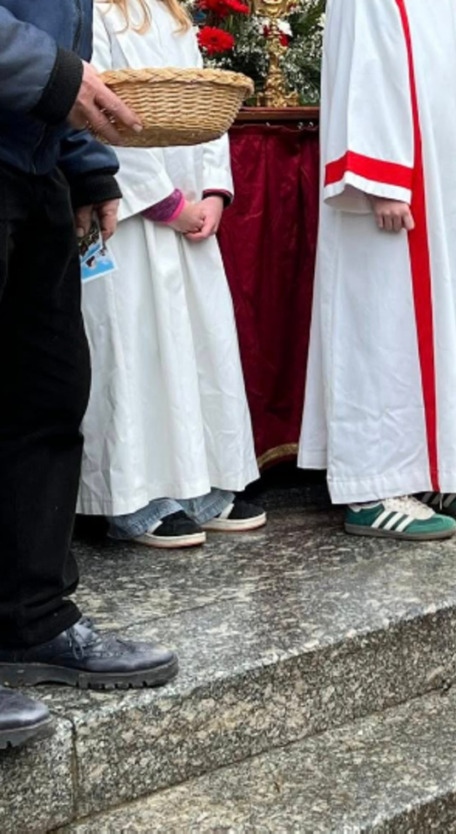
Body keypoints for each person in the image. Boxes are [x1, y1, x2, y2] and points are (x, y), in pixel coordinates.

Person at [0, 0, 178, 750]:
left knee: (46, 396)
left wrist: (85, 164)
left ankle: (30, 619)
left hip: (32, 157)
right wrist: (48, 77)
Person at [298, 0, 456, 540]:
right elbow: (364, 72)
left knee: (451, 321)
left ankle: (436, 467)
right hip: (395, 190)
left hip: (446, 186)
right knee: (383, 324)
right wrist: (380, 179)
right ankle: (374, 484)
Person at [82, 0, 264, 550]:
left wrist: (212, 191)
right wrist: (164, 202)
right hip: (132, 218)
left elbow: (204, 106)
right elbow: (97, 112)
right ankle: (132, 497)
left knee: (194, 351)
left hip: (189, 215)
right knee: (136, 353)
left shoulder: (173, 14)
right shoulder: (92, 11)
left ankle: (198, 483)